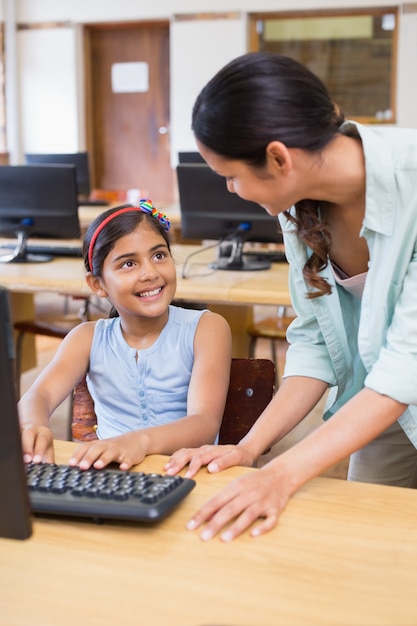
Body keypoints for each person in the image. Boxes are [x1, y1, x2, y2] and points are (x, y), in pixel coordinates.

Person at [164, 51, 417, 542]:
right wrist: (250, 448)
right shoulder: (296, 203)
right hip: (382, 400)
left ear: (279, 157)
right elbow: (316, 343)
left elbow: (405, 368)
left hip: (394, 387)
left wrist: (281, 475)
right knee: (365, 548)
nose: (232, 190)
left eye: (230, 176)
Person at [19, 200, 232, 470]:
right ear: (97, 284)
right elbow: (39, 395)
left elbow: (203, 423)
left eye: (159, 255)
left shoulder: (207, 328)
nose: (150, 273)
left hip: (188, 473)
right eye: (128, 264)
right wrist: (31, 425)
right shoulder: (86, 338)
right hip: (112, 473)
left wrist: (137, 442)